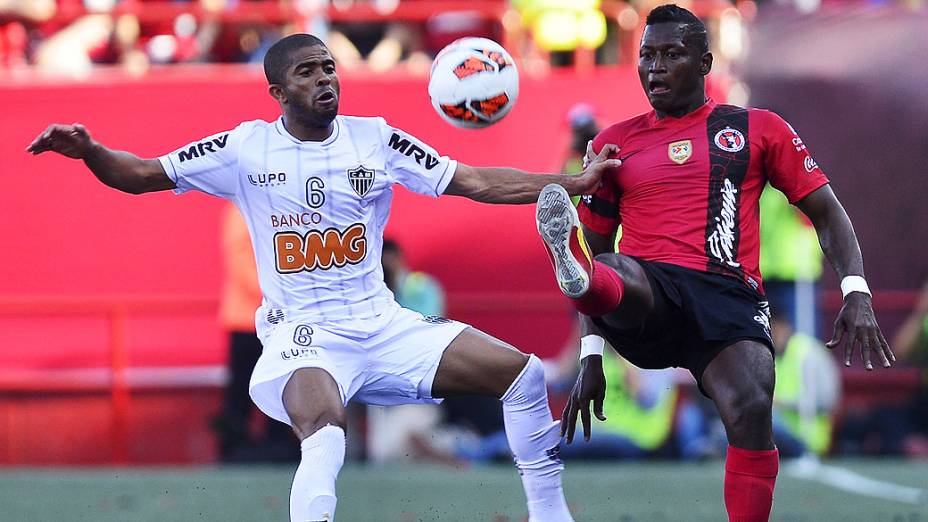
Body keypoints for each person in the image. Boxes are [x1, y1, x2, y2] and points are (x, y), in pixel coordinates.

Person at [27, 33, 620, 522]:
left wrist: (570, 182)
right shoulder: (245, 148)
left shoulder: (377, 139)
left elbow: (473, 181)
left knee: (521, 374)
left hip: (383, 326)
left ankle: (551, 516)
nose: (325, 80)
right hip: (304, 337)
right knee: (326, 430)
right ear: (279, 92)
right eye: (308, 73)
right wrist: (90, 151)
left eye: (329, 69)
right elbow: (141, 174)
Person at [534, 5, 894, 521]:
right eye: (646, 56)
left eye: (671, 54)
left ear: (704, 63)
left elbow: (828, 213)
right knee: (612, 264)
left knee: (750, 406)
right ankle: (573, 270)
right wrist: (591, 352)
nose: (655, 67)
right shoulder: (613, 143)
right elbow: (597, 247)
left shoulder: (757, 129)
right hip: (651, 293)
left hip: (728, 297)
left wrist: (856, 290)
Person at [215, 204, 299, 463]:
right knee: (242, 390)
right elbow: (238, 259)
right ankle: (233, 449)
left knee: (281, 387)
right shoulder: (242, 207)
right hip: (248, 320)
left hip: (275, 321)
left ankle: (279, 446)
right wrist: (278, 296)